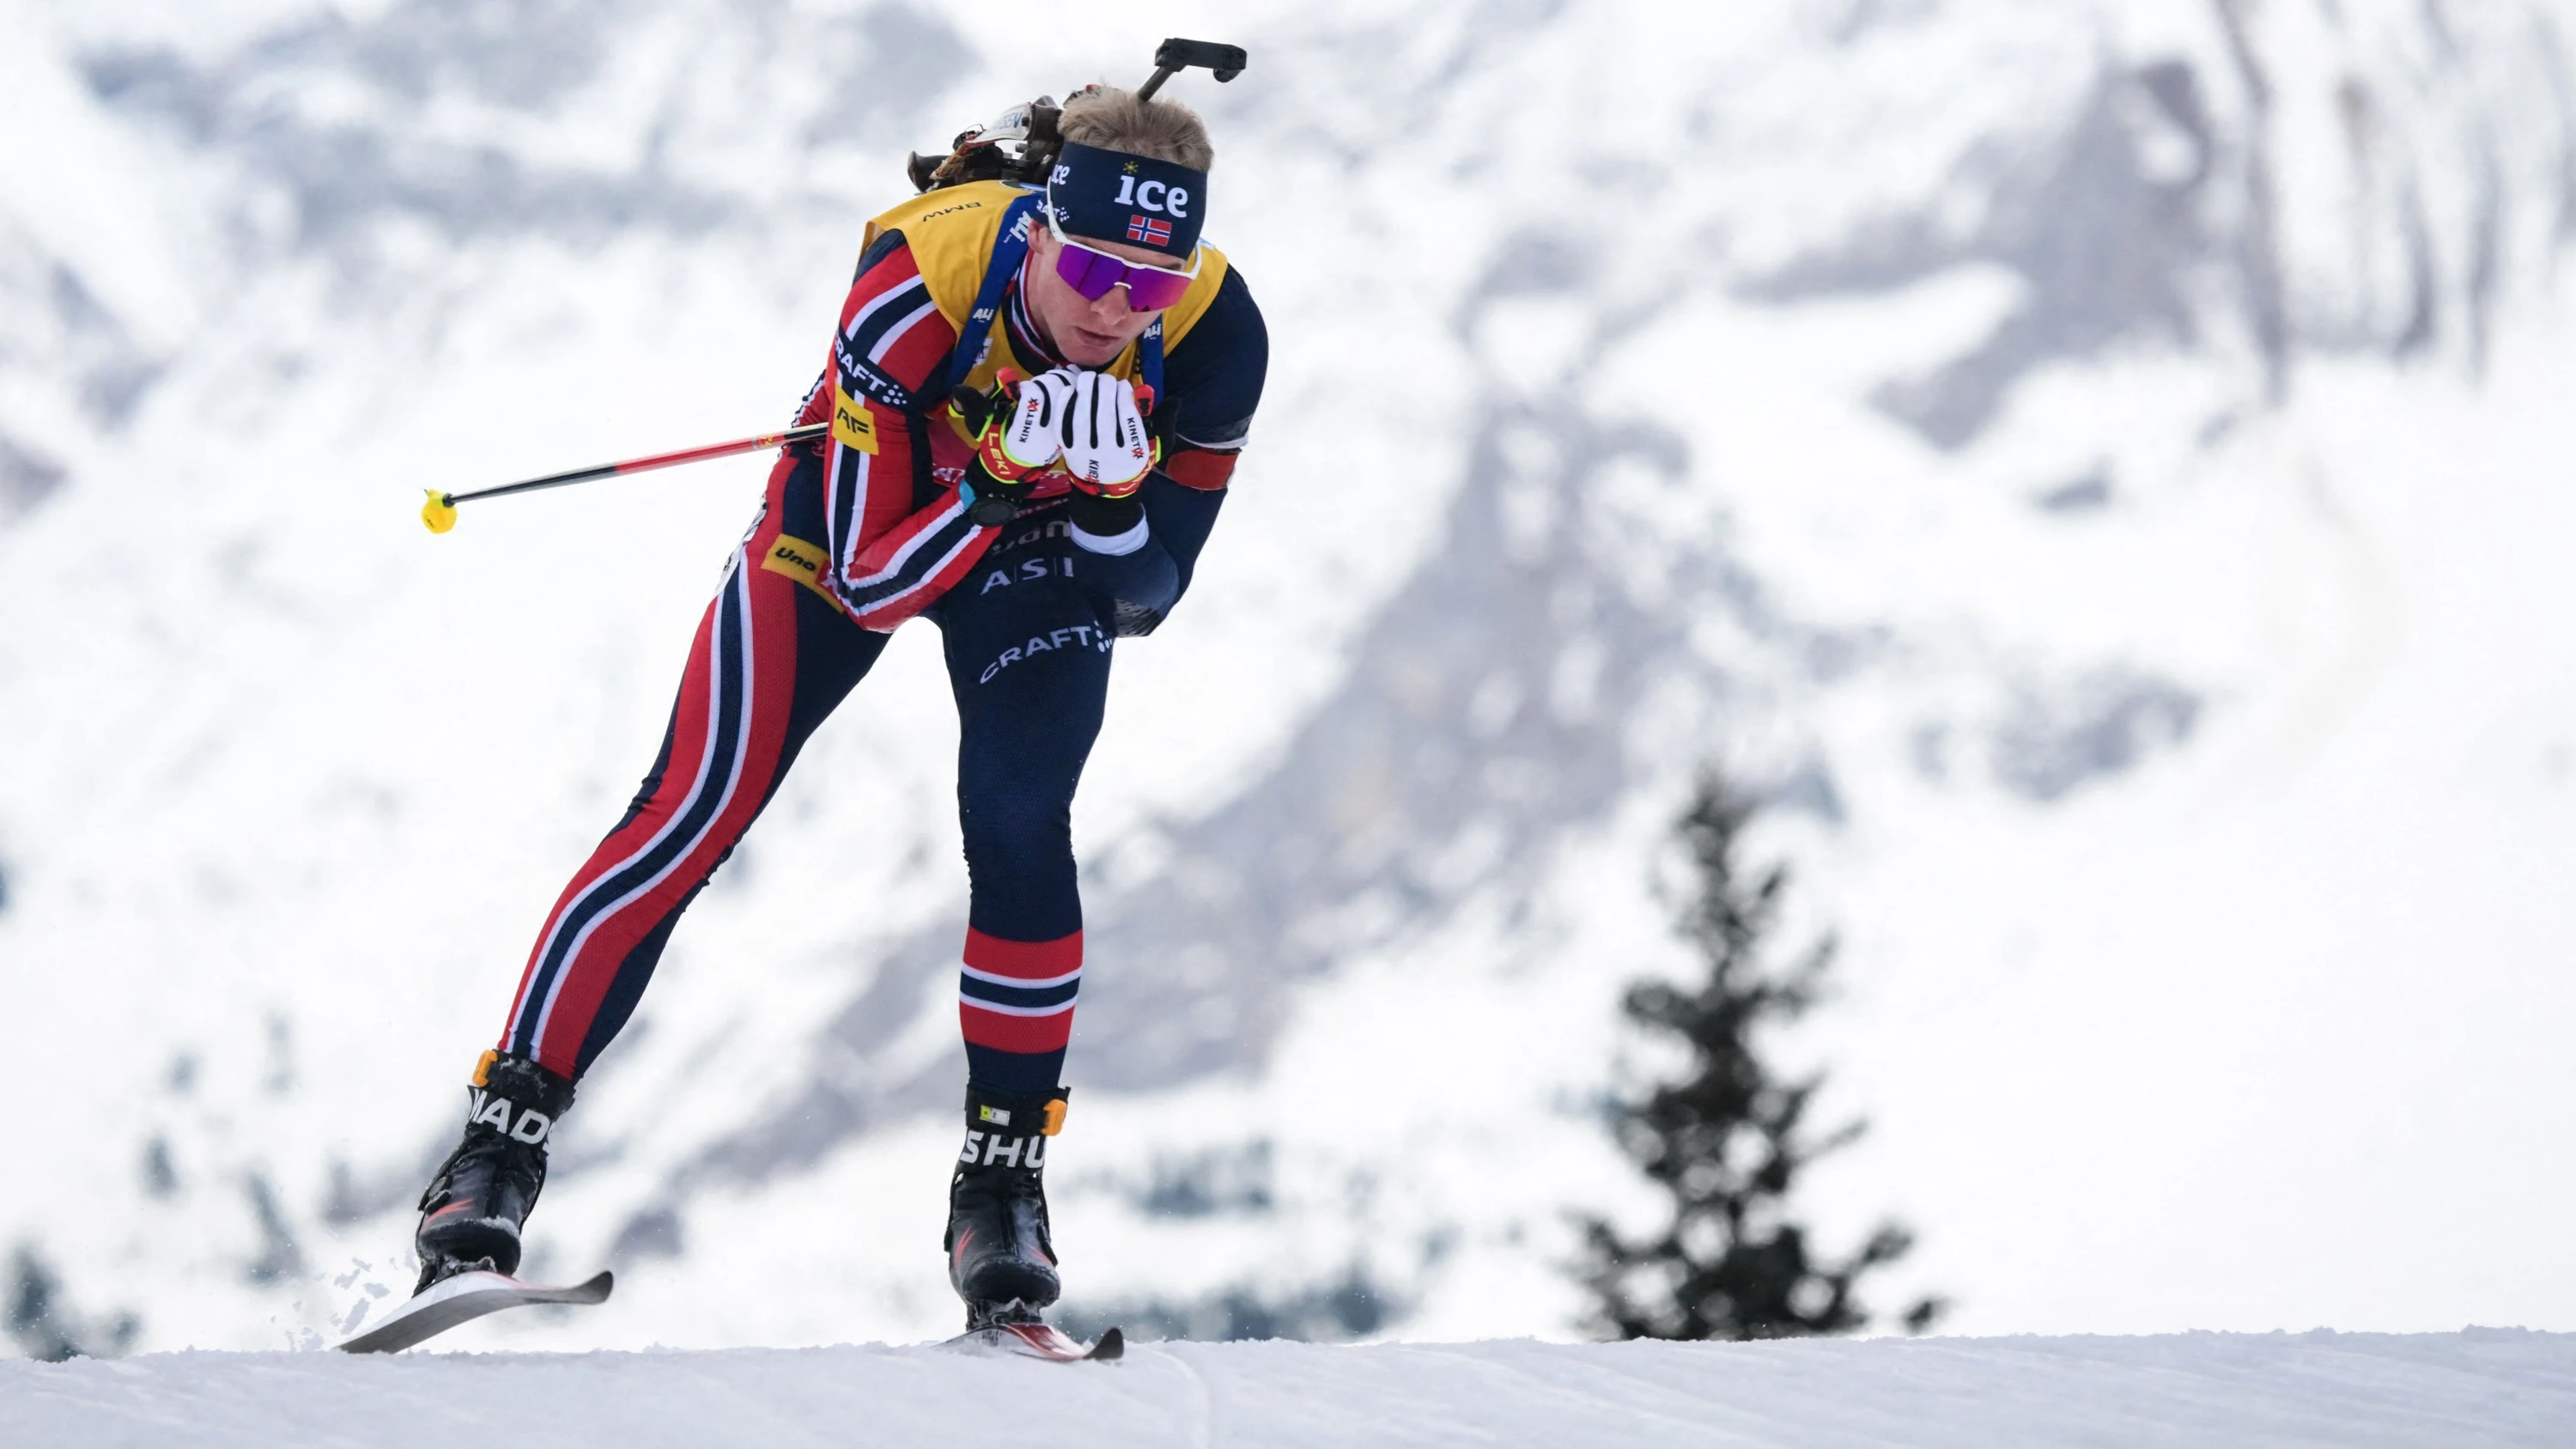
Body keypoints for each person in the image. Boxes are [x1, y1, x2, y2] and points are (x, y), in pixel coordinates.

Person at [408, 83, 1267, 1330]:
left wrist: (1112, 495)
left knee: (1023, 820)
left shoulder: (1215, 331)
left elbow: (1150, 590)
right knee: (693, 804)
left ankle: (1002, 1183)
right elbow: (866, 576)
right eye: (1089, 267)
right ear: (1038, 231)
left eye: (1153, 282)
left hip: (1036, 547)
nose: (1114, 309)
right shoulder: (920, 280)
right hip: (864, 513)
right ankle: (492, 1156)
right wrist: (992, 478)